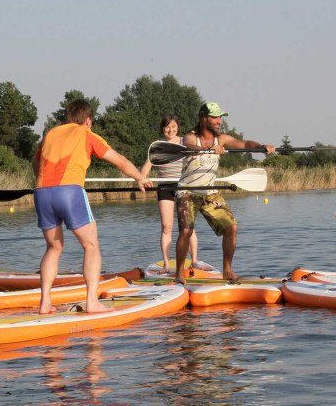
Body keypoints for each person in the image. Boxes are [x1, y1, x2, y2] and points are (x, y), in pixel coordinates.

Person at [33, 99, 152, 314]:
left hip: (41, 192)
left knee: (54, 247)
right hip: (69, 192)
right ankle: (92, 302)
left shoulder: (50, 134)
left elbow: (35, 163)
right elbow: (121, 162)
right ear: (88, 120)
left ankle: (45, 303)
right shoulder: (85, 133)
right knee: (91, 246)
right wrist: (140, 178)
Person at [174, 102, 275, 284]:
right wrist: (208, 150)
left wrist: (261, 147)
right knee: (186, 231)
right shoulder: (190, 137)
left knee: (232, 227)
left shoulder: (221, 139)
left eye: (220, 117)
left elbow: (244, 143)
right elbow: (190, 147)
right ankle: (179, 274)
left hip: (210, 192)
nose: (219, 121)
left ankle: (227, 271)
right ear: (204, 118)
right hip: (186, 192)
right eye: (214, 117)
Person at [140, 114, 202, 273]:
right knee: (167, 227)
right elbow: (145, 169)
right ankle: (167, 265)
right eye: (167, 126)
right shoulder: (158, 146)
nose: (171, 129)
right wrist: (143, 179)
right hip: (165, 187)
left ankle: (194, 261)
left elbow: (198, 155)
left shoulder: (185, 142)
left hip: (184, 186)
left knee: (188, 227)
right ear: (163, 128)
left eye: (173, 126)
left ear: (178, 128)